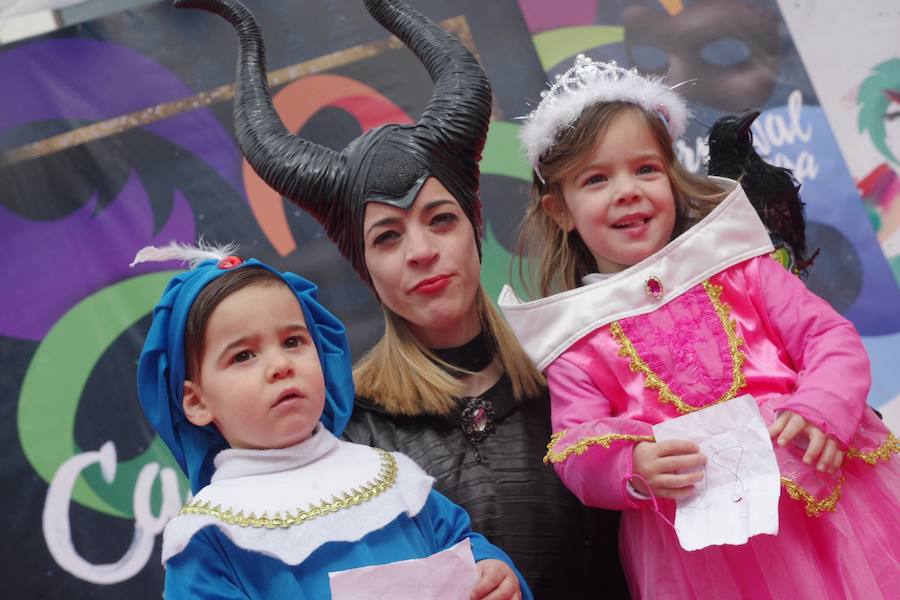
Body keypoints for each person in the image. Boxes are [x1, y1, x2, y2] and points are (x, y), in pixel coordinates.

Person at [178, 0, 630, 596]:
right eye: (387, 237)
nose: (420, 251)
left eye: (439, 219)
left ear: (473, 226)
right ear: (364, 265)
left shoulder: (581, 364)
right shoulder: (341, 437)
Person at [499, 54, 900, 599]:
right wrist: (631, 462)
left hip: (827, 500)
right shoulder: (577, 337)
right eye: (596, 179)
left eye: (645, 169)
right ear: (560, 210)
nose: (628, 190)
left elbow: (830, 340)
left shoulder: (739, 270)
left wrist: (823, 408)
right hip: (711, 555)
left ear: (672, 177)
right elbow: (574, 443)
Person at [132, 242, 529, 600]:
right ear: (196, 401)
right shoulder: (210, 535)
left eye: (293, 341)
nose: (279, 366)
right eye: (243, 356)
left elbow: (462, 544)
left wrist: (493, 571)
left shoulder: (387, 475)